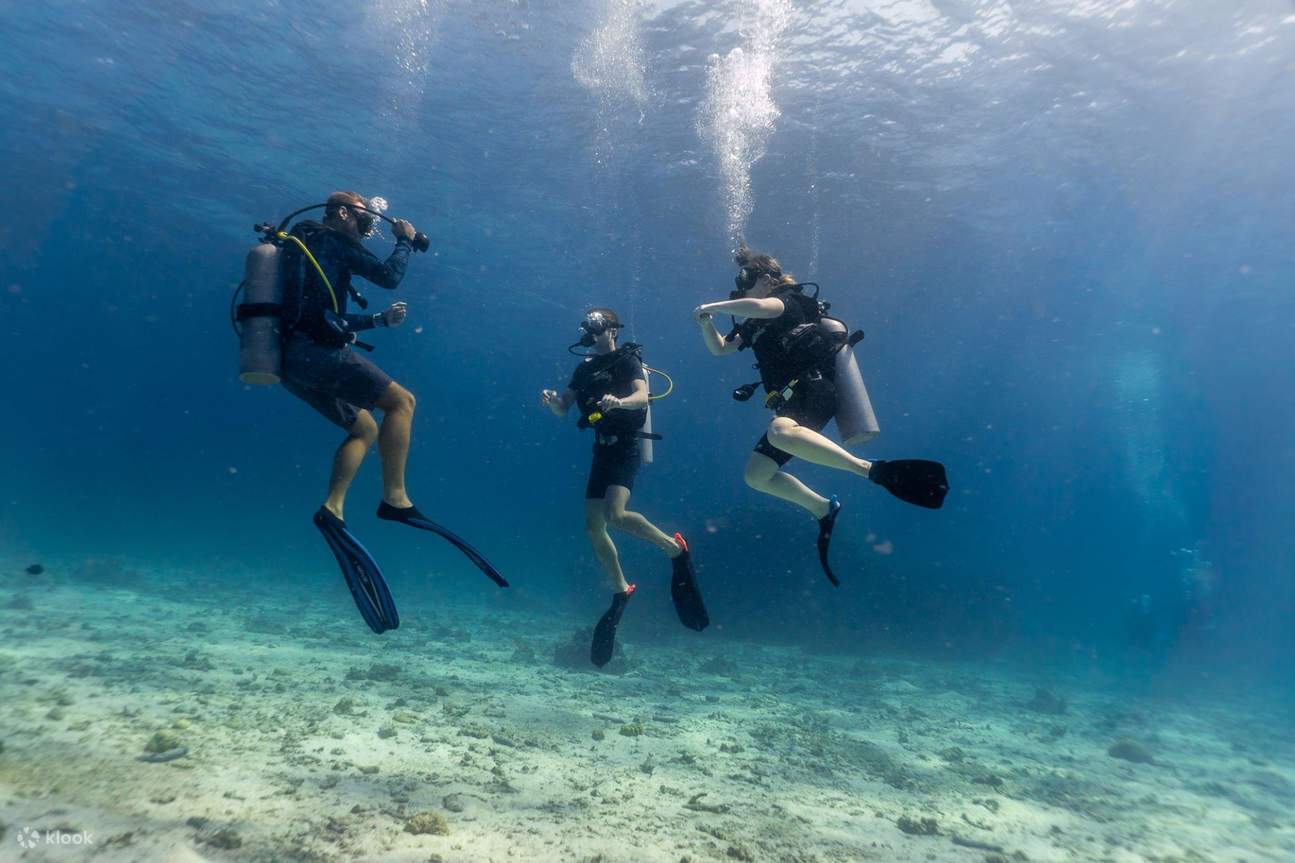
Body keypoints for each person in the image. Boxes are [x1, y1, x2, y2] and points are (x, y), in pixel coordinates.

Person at [279, 191, 506, 634]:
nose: (369, 227)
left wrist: (378, 323)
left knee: (363, 427)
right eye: (364, 217)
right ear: (342, 213)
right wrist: (403, 240)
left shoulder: (304, 246)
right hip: (315, 356)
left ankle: (333, 508)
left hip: (288, 363)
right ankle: (395, 499)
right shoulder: (332, 240)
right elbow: (387, 275)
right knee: (402, 402)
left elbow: (323, 316)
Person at [691, 247, 948, 585]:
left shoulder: (786, 300)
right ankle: (822, 508)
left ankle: (871, 470)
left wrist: (712, 306)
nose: (742, 286)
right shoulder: (753, 324)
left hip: (815, 390)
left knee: (780, 431)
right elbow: (720, 348)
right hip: (791, 400)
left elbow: (759, 306)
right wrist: (706, 323)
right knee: (756, 475)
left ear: (768, 279)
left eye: (746, 279)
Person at [540, 308, 707, 667]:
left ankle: (674, 549)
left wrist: (619, 401)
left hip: (626, 443)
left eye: (597, 322)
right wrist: (553, 402)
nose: (590, 327)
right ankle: (621, 589)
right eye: (587, 322)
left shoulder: (628, 359)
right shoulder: (583, 368)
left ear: (612, 329)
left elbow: (642, 398)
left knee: (615, 515)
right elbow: (563, 409)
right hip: (601, 447)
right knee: (593, 527)